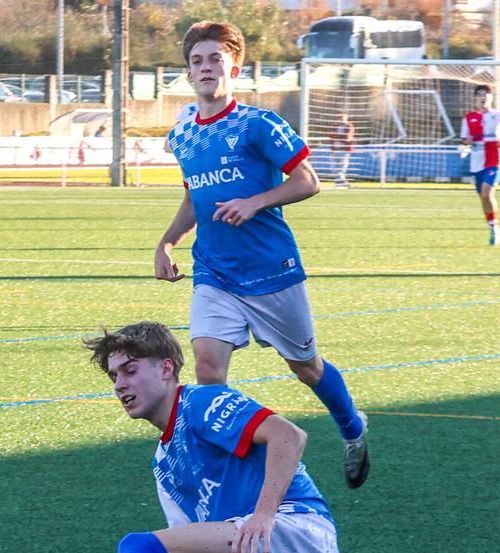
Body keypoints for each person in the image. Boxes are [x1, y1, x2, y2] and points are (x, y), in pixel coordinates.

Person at [0, 322, 362, 553]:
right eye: (113, 376)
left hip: (296, 537)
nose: (120, 384)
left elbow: (289, 434)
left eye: (130, 370)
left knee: (139, 546)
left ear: (167, 368)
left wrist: (265, 514)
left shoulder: (200, 402)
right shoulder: (163, 463)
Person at [154, 21, 370, 490]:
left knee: (306, 368)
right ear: (188, 73)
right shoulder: (181, 137)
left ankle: (353, 428)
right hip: (214, 271)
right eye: (197, 60)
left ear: (235, 67)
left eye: (215, 59)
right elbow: (194, 200)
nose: (206, 67)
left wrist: (255, 202)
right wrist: (167, 242)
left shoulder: (259, 124)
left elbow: (307, 180)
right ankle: (231, 475)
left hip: (272, 271)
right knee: (209, 370)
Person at [460, 84, 500, 246]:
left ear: (491, 98)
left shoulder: (499, 116)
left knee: (486, 193)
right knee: (483, 197)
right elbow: (464, 139)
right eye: (479, 95)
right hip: (477, 160)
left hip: (495, 158)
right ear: (475, 99)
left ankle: (495, 227)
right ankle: (493, 226)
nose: (483, 98)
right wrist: (466, 141)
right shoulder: (469, 118)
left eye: (486, 95)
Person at [327, 112, 354, 188]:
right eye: (338, 117)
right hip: (334, 149)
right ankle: (343, 183)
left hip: (344, 150)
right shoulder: (335, 126)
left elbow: (347, 138)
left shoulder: (349, 126)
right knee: (333, 168)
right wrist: (339, 136)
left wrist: (337, 136)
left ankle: (340, 183)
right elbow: (330, 135)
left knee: (342, 168)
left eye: (342, 117)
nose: (340, 119)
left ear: (346, 118)